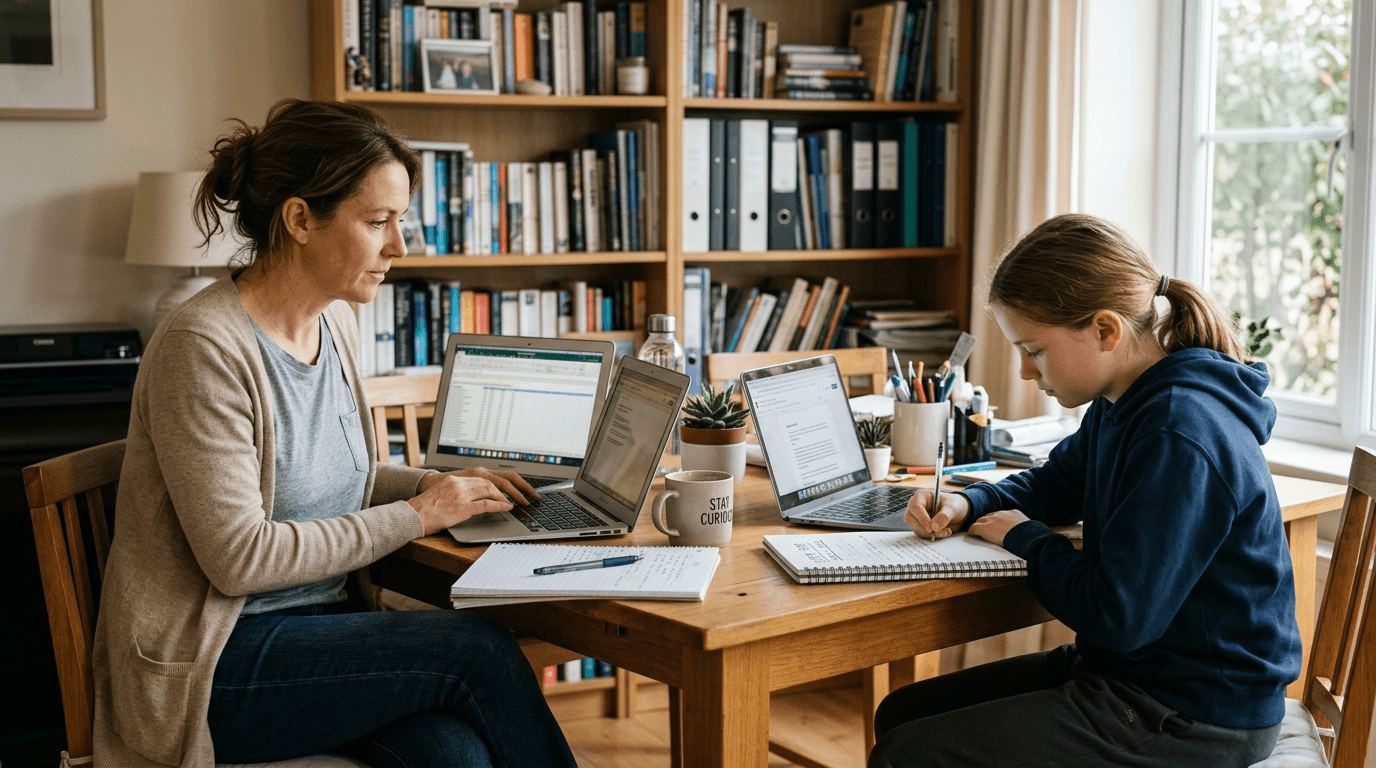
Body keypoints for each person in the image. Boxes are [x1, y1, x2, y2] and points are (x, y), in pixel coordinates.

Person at [91, 98, 578, 767]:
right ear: (299, 219)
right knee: (477, 651)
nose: (399, 248)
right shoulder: (203, 345)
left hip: (321, 634)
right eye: (378, 221)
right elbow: (241, 560)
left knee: (454, 756)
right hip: (213, 663)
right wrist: (420, 513)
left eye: (399, 222)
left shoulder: (335, 323)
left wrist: (443, 485)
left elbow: (344, 474)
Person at [870, 214, 1299, 768]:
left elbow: (1120, 617)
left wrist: (1027, 539)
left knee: (909, 754)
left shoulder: (1178, 430)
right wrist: (970, 500)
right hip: (1137, 674)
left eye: (1035, 350)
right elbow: (1057, 483)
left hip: (1197, 711)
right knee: (902, 714)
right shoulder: (1121, 401)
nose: (1025, 371)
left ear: (1105, 330)